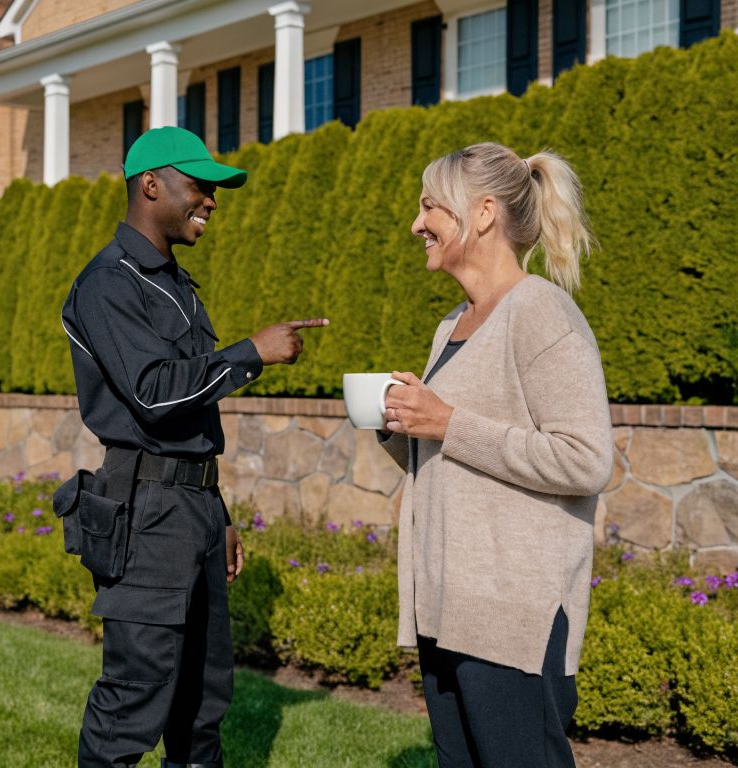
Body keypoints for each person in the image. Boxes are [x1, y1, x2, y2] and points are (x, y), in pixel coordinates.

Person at [58, 125, 328, 768]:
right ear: (150, 185)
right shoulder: (108, 283)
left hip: (192, 514)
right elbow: (152, 394)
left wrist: (218, 511)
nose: (210, 200)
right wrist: (249, 353)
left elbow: (188, 421)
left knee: (202, 706)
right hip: (145, 519)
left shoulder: (174, 283)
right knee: (133, 704)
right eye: (199, 185)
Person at [378, 142, 613, 768]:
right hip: (448, 604)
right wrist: (402, 423)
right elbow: (457, 463)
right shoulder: (452, 323)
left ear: (482, 214)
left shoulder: (541, 311)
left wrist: (448, 421)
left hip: (513, 612)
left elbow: (586, 459)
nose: (416, 223)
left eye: (430, 206)